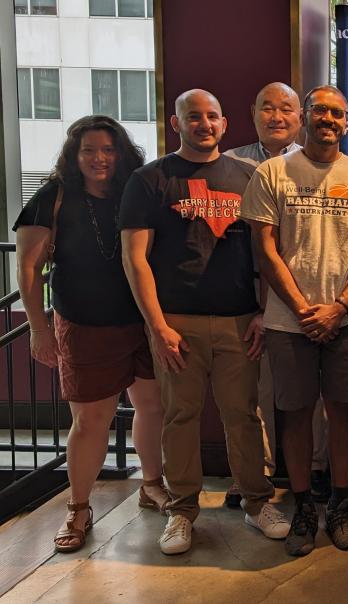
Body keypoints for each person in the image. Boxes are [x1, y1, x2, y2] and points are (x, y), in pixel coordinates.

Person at [121, 89, 288, 555]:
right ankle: (181, 511)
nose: (204, 124)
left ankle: (257, 502)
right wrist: (158, 326)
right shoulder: (149, 179)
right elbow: (136, 261)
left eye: (212, 116)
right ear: (176, 124)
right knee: (180, 417)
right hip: (177, 322)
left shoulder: (248, 176)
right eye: (193, 117)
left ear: (225, 122)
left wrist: (262, 312)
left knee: (243, 416)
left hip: (239, 320)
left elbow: (266, 254)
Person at [242, 85, 348, 556]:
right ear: (306, 116)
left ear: (346, 122)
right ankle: (305, 505)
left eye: (338, 113)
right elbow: (264, 248)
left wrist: (340, 306)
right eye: (321, 111)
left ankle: (341, 504)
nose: (329, 119)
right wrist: (302, 307)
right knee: (295, 413)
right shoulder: (272, 172)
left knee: (343, 412)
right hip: (291, 322)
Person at [15, 116, 168, 553]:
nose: (99, 158)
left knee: (153, 406)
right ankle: (79, 507)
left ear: (121, 153)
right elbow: (28, 268)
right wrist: (39, 329)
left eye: (108, 149)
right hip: (84, 322)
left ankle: (152, 484)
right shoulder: (53, 196)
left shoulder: (134, 190)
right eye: (89, 151)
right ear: (74, 154)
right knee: (91, 422)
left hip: (141, 319)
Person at [222, 81, 304, 507]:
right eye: (268, 108)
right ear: (253, 113)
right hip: (243, 288)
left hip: (302, 291)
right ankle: (254, 473)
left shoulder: (317, 165)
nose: (277, 116)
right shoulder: (229, 165)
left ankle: (318, 468)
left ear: (300, 118)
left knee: (308, 386)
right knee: (249, 387)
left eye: (286, 108)